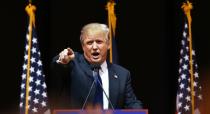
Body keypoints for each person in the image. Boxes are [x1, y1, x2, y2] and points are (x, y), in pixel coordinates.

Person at [49, 23, 143, 110]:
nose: (94, 47)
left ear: (108, 44)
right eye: (89, 43)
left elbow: (132, 103)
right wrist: (62, 61)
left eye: (99, 42)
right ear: (83, 46)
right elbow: (57, 67)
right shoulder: (73, 62)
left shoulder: (122, 74)